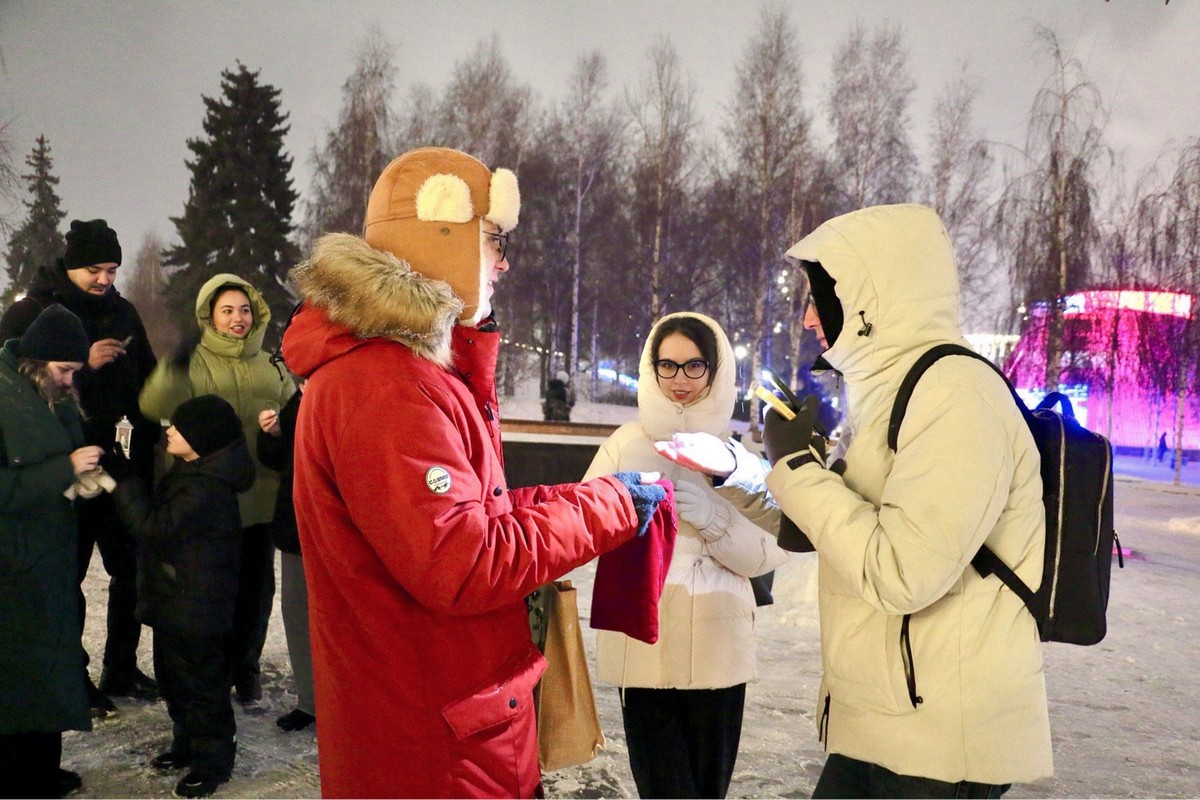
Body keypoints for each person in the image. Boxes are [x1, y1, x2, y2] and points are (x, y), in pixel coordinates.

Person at [280, 146, 666, 798]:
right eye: (491, 240)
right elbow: (464, 562)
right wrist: (605, 512)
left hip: (450, 723)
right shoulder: (384, 383)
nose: (503, 261)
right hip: (431, 747)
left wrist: (588, 497)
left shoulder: (412, 371)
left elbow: (471, 512)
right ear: (441, 236)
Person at [670, 204, 1051, 798]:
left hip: (940, 742)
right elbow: (833, 526)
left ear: (872, 297)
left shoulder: (956, 395)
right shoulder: (894, 393)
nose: (806, 320)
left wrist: (798, 464)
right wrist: (736, 469)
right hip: (892, 720)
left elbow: (900, 571)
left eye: (820, 298)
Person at [584, 312, 788, 799]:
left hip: (718, 649)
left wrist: (713, 520)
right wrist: (621, 512)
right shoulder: (624, 445)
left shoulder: (735, 455)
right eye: (668, 365)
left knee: (705, 790)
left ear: (716, 373)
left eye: (695, 366)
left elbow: (773, 548)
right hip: (643, 646)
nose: (679, 379)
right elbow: (583, 524)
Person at [0, 219, 160, 715]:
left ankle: (120, 665)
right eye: (95, 269)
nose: (105, 280)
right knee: (64, 573)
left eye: (112, 270)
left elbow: (149, 380)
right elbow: (16, 387)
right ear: (71, 265)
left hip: (117, 463)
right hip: (60, 465)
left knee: (130, 566)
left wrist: (155, 428)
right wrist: (84, 365)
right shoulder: (30, 313)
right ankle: (74, 673)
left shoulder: (123, 312)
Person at [139, 274, 294, 706]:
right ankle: (212, 677)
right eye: (227, 310)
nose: (237, 318)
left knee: (255, 594)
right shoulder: (195, 361)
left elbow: (295, 412)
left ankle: (246, 670)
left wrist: (280, 428)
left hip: (259, 501)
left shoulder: (271, 363)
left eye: (245, 309)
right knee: (208, 595)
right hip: (205, 504)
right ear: (210, 316)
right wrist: (173, 364)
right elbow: (154, 406)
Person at [104, 394, 254, 799]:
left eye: (179, 428)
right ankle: (187, 744)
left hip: (196, 606)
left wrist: (123, 480)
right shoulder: (192, 470)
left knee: (201, 685)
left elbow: (153, 527)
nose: (169, 430)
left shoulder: (205, 487)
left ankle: (213, 760)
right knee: (175, 678)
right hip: (179, 599)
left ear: (201, 439)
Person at [0, 304, 100, 798]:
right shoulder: (4, 398)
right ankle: (17, 776)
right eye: (64, 371)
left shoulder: (52, 395)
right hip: (12, 564)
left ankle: (42, 768)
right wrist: (64, 469)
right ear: (36, 363)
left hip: (50, 558)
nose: (68, 381)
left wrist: (87, 480)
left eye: (75, 373)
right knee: (18, 670)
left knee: (51, 663)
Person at [255, 381, 315, 732]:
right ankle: (310, 701)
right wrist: (275, 434)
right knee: (297, 615)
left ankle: (342, 703)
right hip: (297, 525)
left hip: (340, 529)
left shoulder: (349, 386)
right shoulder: (300, 392)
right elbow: (281, 462)